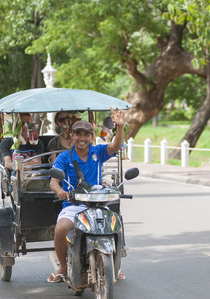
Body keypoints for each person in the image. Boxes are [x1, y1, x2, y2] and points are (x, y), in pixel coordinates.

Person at [47, 107, 125, 283]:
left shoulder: (97, 152)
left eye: (86, 134)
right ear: (72, 137)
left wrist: (119, 126)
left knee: (117, 226)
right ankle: (63, 266)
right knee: (60, 229)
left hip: (96, 204)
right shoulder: (63, 158)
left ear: (91, 137)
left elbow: (116, 146)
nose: (82, 138)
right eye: (78, 134)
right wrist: (60, 191)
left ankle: (116, 263)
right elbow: (53, 181)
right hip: (73, 204)